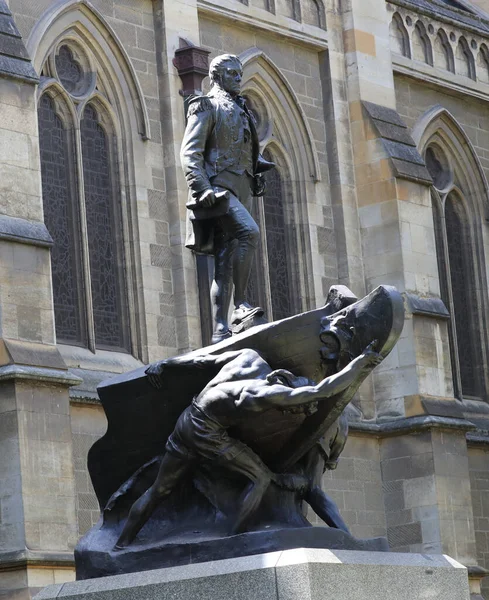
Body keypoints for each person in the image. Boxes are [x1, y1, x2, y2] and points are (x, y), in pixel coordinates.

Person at [114, 343, 381, 549]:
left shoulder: (249, 358)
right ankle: (232, 540)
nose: (293, 412)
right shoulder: (264, 393)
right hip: (207, 433)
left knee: (159, 489)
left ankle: (122, 543)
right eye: (295, 408)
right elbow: (318, 392)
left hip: (188, 420)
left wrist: (166, 364)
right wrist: (359, 366)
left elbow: (202, 360)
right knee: (260, 478)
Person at [180, 54, 275, 343]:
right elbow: (190, 152)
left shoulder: (240, 108)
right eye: (232, 73)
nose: (238, 78)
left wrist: (256, 171)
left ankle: (220, 331)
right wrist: (202, 187)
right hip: (218, 191)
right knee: (250, 232)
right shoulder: (205, 105)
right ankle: (241, 305)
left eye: (239, 73)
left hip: (241, 190)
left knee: (224, 261)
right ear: (217, 77)